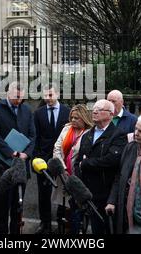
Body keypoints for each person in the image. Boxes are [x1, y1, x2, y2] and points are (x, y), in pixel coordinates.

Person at [0, 82, 36, 234]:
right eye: (16, 96)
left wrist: (26, 154)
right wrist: (11, 152)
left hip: (21, 164)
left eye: (21, 97)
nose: (19, 100)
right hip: (3, 164)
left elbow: (33, 135)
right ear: (8, 93)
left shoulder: (27, 109)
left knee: (18, 206)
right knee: (2, 205)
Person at [74, 99, 126, 234]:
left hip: (106, 193)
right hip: (88, 192)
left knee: (108, 228)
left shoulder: (118, 135)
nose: (95, 111)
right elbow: (78, 161)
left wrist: (86, 163)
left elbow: (111, 161)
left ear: (110, 114)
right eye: (94, 109)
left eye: (99, 109)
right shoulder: (87, 135)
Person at [33, 84, 70, 234]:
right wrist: (34, 158)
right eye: (45, 95)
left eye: (50, 95)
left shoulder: (67, 112)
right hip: (43, 159)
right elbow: (35, 136)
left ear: (58, 94)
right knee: (44, 192)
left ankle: (61, 221)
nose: (48, 98)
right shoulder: (38, 113)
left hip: (62, 158)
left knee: (63, 191)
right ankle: (45, 223)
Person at [53, 104, 93, 234]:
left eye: (77, 118)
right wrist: (62, 168)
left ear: (84, 118)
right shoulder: (66, 129)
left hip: (78, 176)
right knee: (63, 207)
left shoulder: (90, 133)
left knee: (77, 209)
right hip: (62, 175)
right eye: (72, 117)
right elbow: (57, 149)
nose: (73, 120)